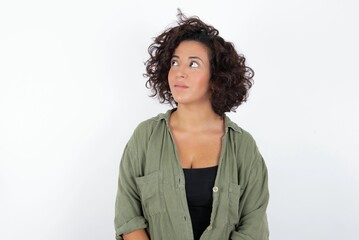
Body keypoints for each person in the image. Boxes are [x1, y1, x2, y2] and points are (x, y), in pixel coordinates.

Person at [114, 10, 269, 240]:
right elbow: (128, 219)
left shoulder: (242, 146)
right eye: (175, 62)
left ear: (216, 76)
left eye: (193, 64)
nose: (179, 72)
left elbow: (252, 228)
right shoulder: (145, 137)